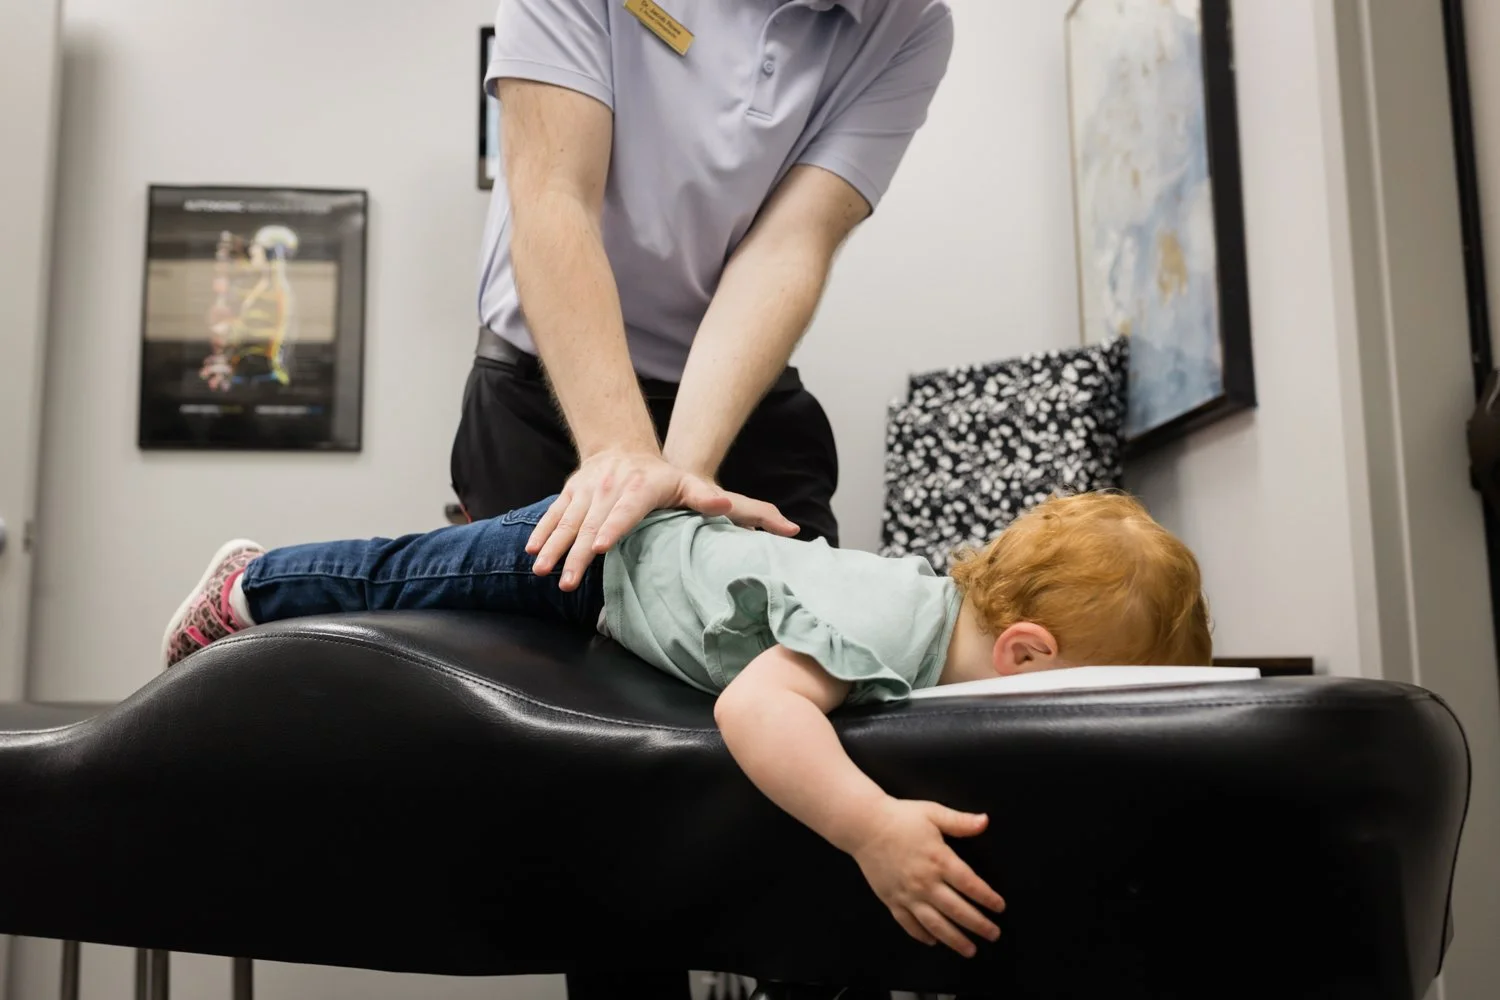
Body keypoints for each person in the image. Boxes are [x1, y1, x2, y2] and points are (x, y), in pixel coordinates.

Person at [161, 490, 1214, 959]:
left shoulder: (936, 639)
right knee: (412, 570)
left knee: (423, 573)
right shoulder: (898, 626)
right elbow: (755, 706)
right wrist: (871, 828)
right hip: (612, 559)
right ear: (1027, 653)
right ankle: (250, 584)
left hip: (655, 572)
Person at [454, 0, 957, 594]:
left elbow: (788, 245)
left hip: (730, 395)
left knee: (815, 641)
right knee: (550, 664)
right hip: (546, 395)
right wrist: (621, 452)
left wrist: (681, 478)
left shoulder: (911, 23)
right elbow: (555, 196)